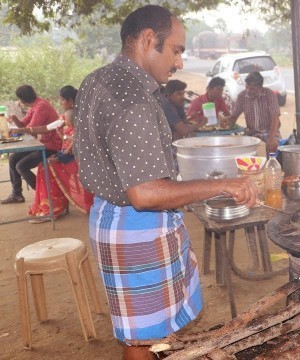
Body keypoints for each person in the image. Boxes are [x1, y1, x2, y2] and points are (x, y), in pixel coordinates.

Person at [73, 5, 257, 360]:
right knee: (142, 342)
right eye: (176, 49)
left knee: (153, 334)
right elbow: (145, 193)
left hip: (110, 217)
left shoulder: (98, 79)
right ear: (147, 40)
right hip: (136, 229)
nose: (180, 62)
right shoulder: (133, 99)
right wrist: (224, 185)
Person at [13, 86, 94, 223]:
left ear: (70, 101)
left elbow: (78, 141)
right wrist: (23, 129)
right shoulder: (64, 116)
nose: (60, 102)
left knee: (45, 166)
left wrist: (63, 153)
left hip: (78, 157)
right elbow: (46, 128)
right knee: (43, 165)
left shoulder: (80, 116)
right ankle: (49, 205)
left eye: (62, 100)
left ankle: (53, 208)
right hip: (66, 153)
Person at [1, 85, 61, 204]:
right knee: (13, 158)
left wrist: (17, 130)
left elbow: (30, 129)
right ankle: (17, 194)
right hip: (42, 144)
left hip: (51, 146)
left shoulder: (41, 106)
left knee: (21, 166)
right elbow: (24, 126)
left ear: (22, 99)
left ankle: (46, 195)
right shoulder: (35, 105)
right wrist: (14, 119)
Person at [222, 71, 281, 153]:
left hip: (270, 133)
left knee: (269, 148)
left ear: (260, 87)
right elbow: (233, 117)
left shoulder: (269, 95)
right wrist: (223, 121)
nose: (248, 90)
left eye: (252, 88)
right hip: (252, 134)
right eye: (247, 87)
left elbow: (275, 117)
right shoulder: (242, 96)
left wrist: (271, 139)